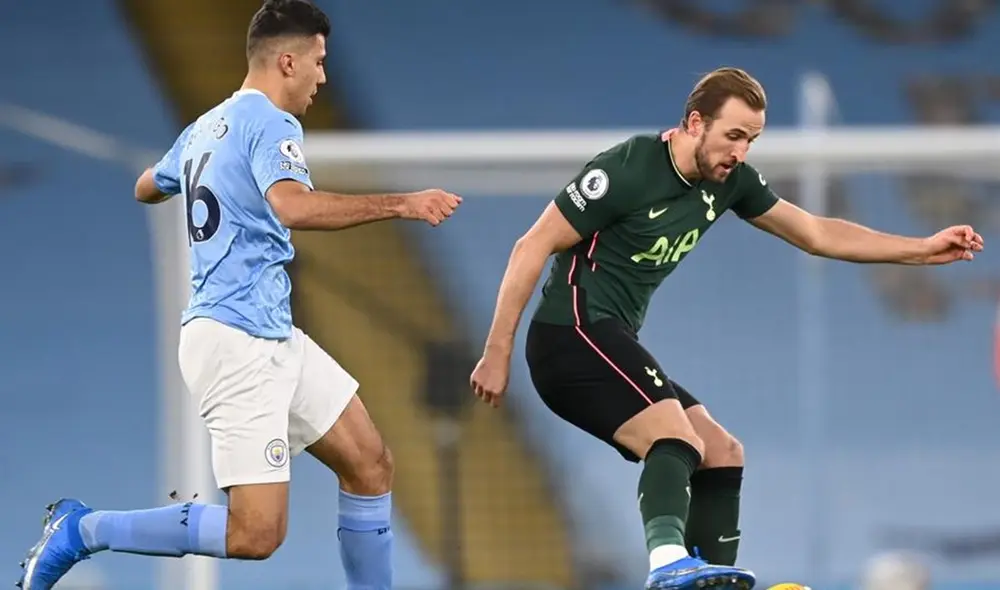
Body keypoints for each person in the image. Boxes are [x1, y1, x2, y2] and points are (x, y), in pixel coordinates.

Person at [469, 66, 984, 590]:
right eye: (733, 135)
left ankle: (708, 580)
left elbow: (815, 232)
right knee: (675, 437)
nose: (740, 151)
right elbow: (530, 245)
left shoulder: (731, 181)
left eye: (752, 139)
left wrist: (921, 250)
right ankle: (669, 565)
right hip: (570, 336)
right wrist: (497, 350)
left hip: (609, 340)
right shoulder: (627, 168)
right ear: (696, 123)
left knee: (722, 452)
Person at [17, 1, 461, 589]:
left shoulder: (207, 126)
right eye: (318, 62)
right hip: (236, 342)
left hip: (270, 332)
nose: (323, 78)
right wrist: (401, 203)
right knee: (256, 536)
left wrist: (206, 175)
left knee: (369, 463)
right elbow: (293, 206)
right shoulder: (272, 122)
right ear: (286, 60)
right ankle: (83, 529)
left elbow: (146, 186)